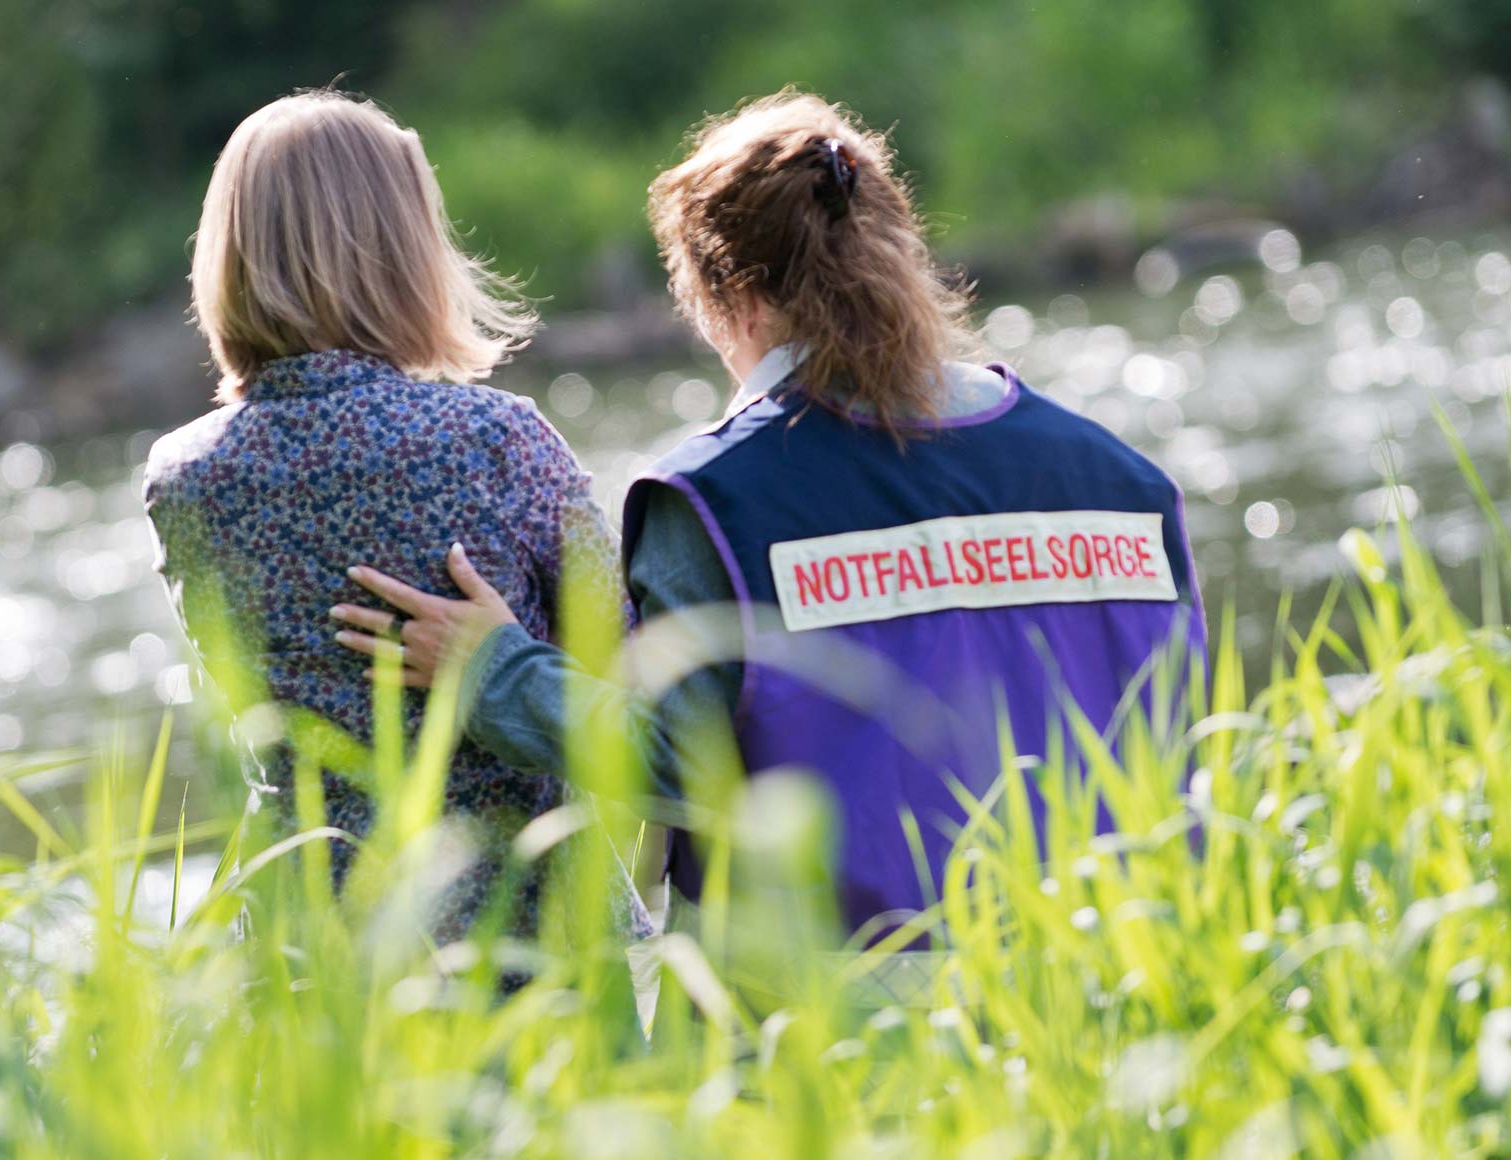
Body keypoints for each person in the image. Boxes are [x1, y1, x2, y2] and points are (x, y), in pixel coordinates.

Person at [332, 92, 1204, 943]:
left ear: (732, 301)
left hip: (832, 1008)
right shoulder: (1124, 479)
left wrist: (497, 672)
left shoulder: (716, 499)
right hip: (1115, 967)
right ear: (901, 252)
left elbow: (676, 763)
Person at [143, 89, 649, 946]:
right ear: (400, 252)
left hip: (323, 947)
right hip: (531, 938)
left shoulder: (184, 478)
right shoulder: (497, 441)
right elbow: (643, 686)